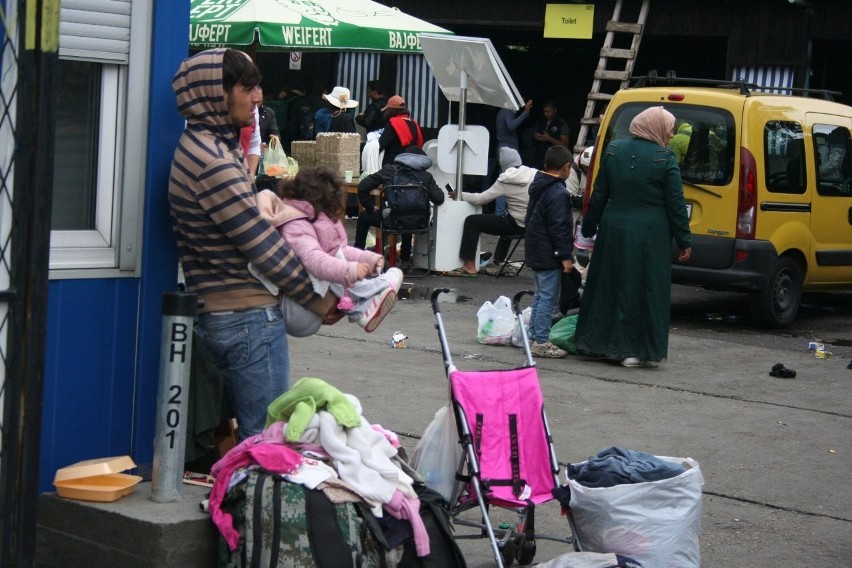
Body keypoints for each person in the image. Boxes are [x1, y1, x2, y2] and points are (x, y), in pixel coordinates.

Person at [168, 48, 338, 442]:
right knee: (268, 441)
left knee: (246, 441)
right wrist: (317, 300)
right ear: (217, 92)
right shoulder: (213, 160)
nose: (259, 97)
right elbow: (261, 247)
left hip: (220, 313)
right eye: (249, 87)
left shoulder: (203, 148)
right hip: (247, 320)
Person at [575, 106, 693, 368]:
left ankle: (598, 345)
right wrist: (685, 241)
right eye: (669, 128)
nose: (672, 134)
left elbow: (599, 194)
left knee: (609, 285)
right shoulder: (665, 159)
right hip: (650, 237)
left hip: (613, 231)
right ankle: (634, 351)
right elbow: (675, 205)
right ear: (656, 128)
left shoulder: (614, 150)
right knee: (643, 289)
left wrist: (588, 227)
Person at [254, 166, 404, 334]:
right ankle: (375, 290)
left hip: (305, 306)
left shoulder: (307, 220)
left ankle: (363, 310)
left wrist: (368, 258)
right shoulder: (295, 224)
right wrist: (349, 270)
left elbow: (337, 249)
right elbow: (315, 260)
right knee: (334, 265)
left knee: (336, 260)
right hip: (297, 310)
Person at [354, 145, 445, 271]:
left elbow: (363, 187)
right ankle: (405, 260)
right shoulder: (426, 176)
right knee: (409, 214)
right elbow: (439, 198)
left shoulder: (389, 171)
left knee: (365, 216)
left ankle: (357, 255)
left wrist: (370, 208)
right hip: (419, 224)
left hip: (390, 221)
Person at [524, 145, 576, 358]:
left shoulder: (538, 186)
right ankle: (542, 342)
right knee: (548, 299)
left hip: (536, 250)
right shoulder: (558, 192)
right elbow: (560, 228)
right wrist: (565, 256)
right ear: (566, 167)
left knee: (540, 296)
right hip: (549, 253)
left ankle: (532, 337)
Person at [445, 156, 536, 277]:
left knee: (472, 221)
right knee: (506, 218)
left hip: (517, 225)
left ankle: (469, 266)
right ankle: (498, 262)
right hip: (534, 225)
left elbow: (482, 199)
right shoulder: (535, 174)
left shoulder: (506, 180)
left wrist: (460, 195)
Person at [493, 99, 533, 216]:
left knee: (505, 180)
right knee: (508, 181)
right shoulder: (507, 111)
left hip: (503, 149)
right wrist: (525, 113)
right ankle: (500, 213)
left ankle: (501, 212)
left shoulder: (501, 111)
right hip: (508, 150)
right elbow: (511, 125)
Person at [378, 95, 423, 166]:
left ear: (391, 110)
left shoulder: (393, 123)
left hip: (393, 165)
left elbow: (380, 145)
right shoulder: (413, 123)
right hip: (411, 165)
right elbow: (419, 144)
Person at [532, 99, 570, 169]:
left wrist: (549, 138)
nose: (546, 114)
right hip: (538, 157)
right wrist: (537, 136)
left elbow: (565, 144)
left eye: (548, 112)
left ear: (555, 110)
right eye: (544, 112)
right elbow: (534, 134)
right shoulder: (540, 121)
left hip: (553, 159)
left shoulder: (561, 124)